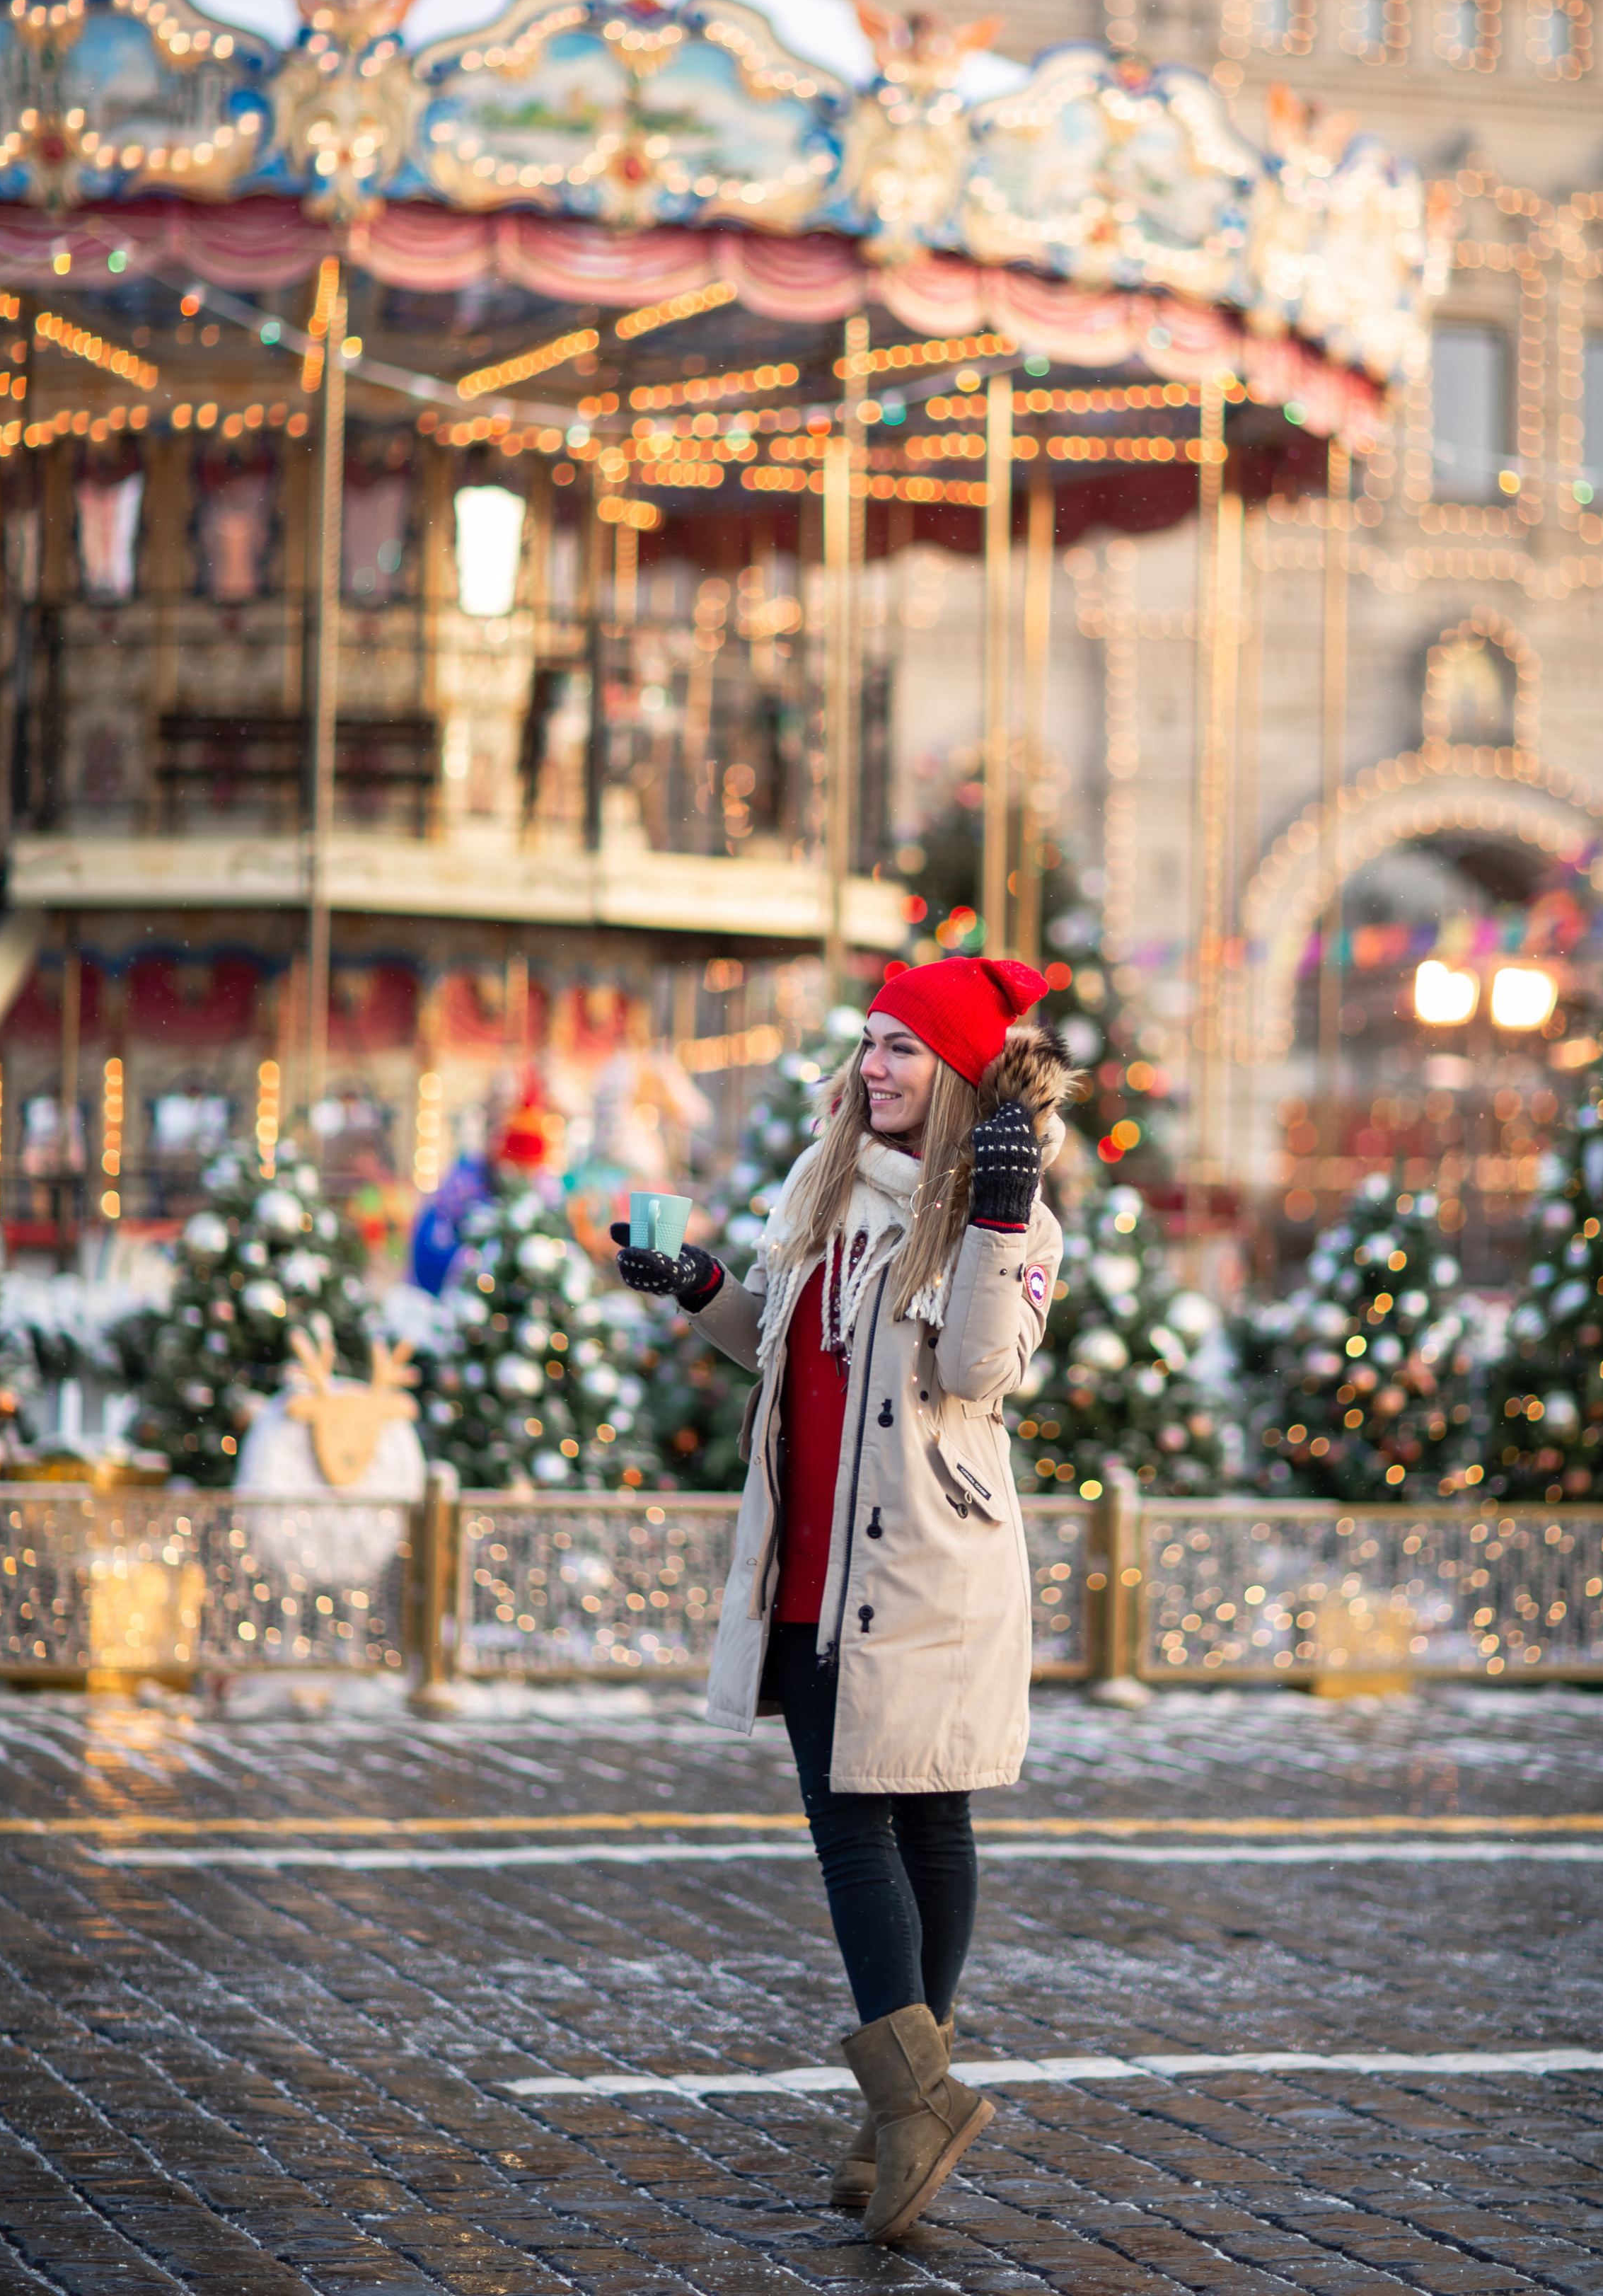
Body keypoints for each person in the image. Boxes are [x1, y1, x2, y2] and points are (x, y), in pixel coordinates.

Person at [613, 955, 1075, 2244]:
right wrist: (704, 1289)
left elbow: (981, 1368)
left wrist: (992, 1216)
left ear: (961, 1076)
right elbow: (783, 1345)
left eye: (904, 1051)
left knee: (889, 1827)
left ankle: (906, 2110)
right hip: (813, 1564)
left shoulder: (1014, 1219)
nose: (873, 1068)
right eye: (869, 1044)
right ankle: (902, 2113)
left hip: (925, 1567)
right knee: (888, 1825)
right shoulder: (825, 1189)